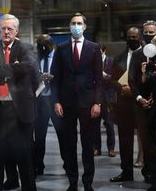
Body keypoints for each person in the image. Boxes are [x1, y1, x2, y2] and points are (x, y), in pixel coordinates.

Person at [0, 14, 38, 191]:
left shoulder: (26, 47)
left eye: (9, 29)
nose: (6, 32)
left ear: (16, 31)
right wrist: (13, 69)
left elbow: (27, 67)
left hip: (19, 113)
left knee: (25, 160)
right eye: (3, 28)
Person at [51, 12, 103, 191]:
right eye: (73, 23)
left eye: (79, 23)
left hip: (88, 103)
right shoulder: (61, 48)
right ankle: (72, 182)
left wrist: (98, 102)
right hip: (66, 103)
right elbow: (55, 78)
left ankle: (88, 183)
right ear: (69, 26)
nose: (76, 26)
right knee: (68, 144)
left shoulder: (94, 48)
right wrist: (56, 101)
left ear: (85, 26)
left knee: (88, 144)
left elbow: (98, 78)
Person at [110, 27, 142, 182]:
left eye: (135, 36)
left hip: (143, 104)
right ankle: (126, 172)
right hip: (124, 106)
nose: (131, 39)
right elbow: (112, 80)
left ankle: (150, 173)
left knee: (147, 141)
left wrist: (135, 91)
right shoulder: (118, 58)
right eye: (129, 36)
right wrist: (121, 88)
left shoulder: (149, 56)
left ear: (140, 37)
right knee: (125, 142)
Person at [128, 20, 156, 184]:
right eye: (145, 33)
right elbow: (132, 80)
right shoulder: (138, 55)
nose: (148, 35)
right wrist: (140, 98)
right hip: (142, 104)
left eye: (151, 33)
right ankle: (150, 172)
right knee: (147, 141)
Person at [33, 34, 65, 176]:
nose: (43, 47)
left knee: (62, 135)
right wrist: (38, 77)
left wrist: (53, 77)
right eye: (40, 44)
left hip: (56, 101)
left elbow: (66, 77)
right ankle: (38, 166)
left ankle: (68, 165)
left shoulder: (60, 57)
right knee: (39, 138)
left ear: (52, 44)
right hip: (40, 102)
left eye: (45, 44)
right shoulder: (35, 58)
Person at [92, 44, 116, 157]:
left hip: (108, 97)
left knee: (109, 124)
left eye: (99, 51)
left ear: (104, 51)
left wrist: (106, 76)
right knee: (95, 125)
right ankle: (97, 148)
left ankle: (111, 148)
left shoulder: (111, 61)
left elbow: (116, 78)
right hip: (95, 97)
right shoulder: (91, 62)